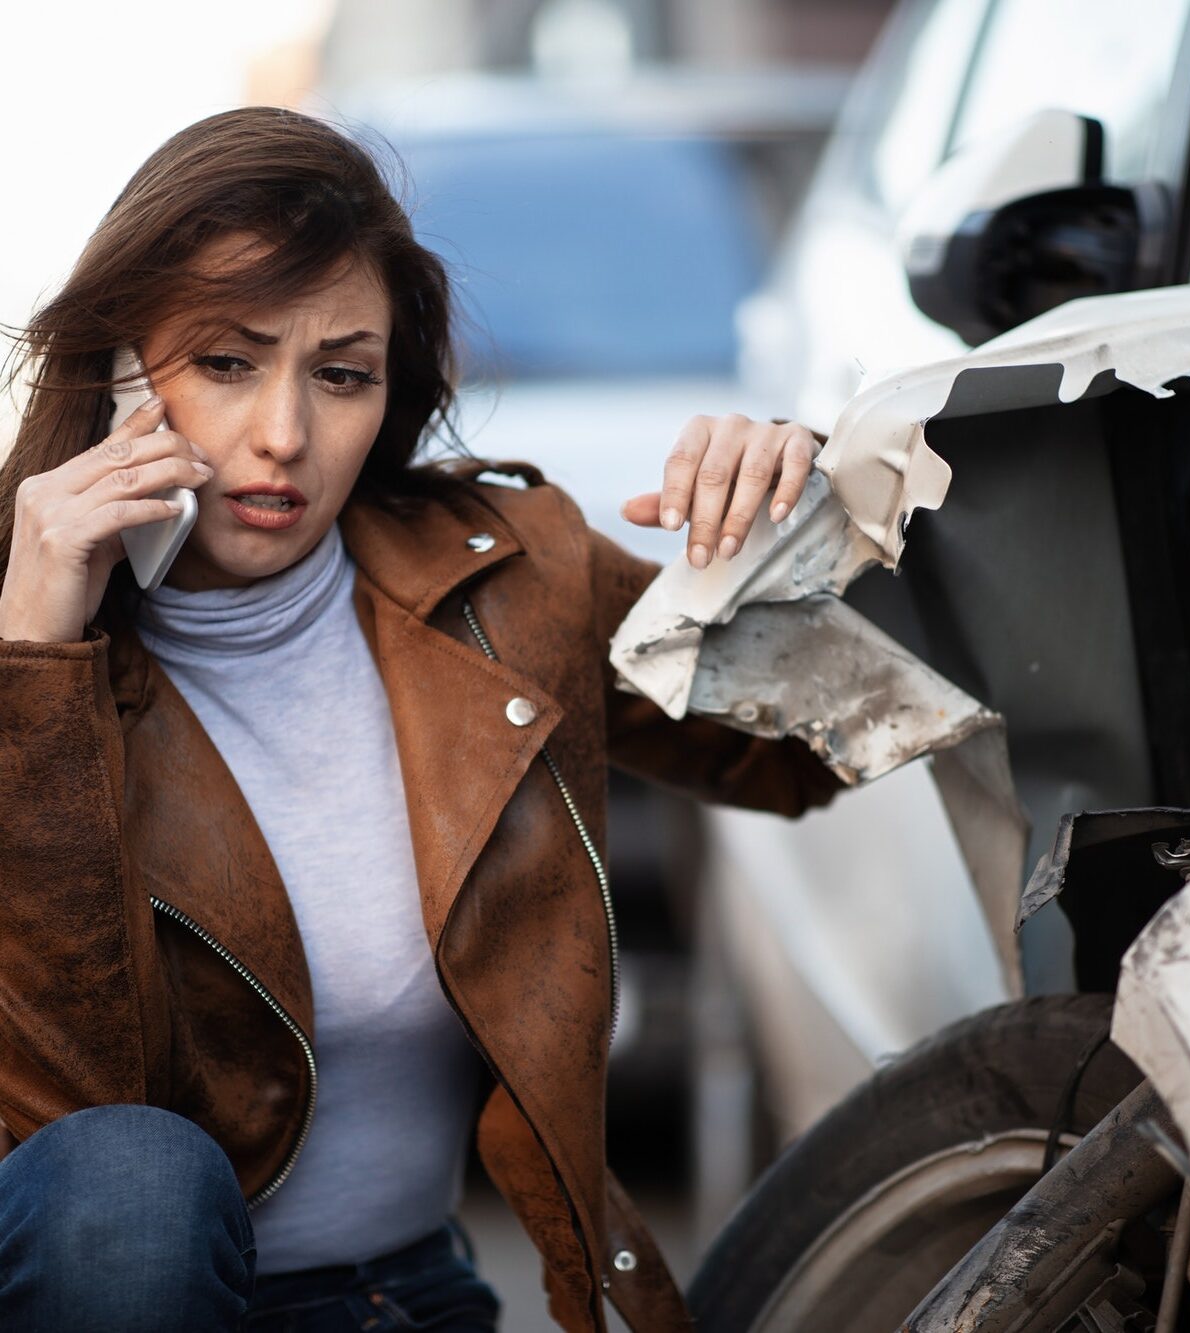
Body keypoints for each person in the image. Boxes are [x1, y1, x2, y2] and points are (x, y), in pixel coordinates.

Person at [0, 106, 836, 1331]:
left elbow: (805, 750)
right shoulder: (15, 635)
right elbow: (77, 1128)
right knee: (131, 1179)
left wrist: (793, 526)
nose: (282, 435)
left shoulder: (510, 578)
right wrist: (35, 661)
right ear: (121, 370)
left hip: (412, 1297)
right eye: (226, 364)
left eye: (340, 374)